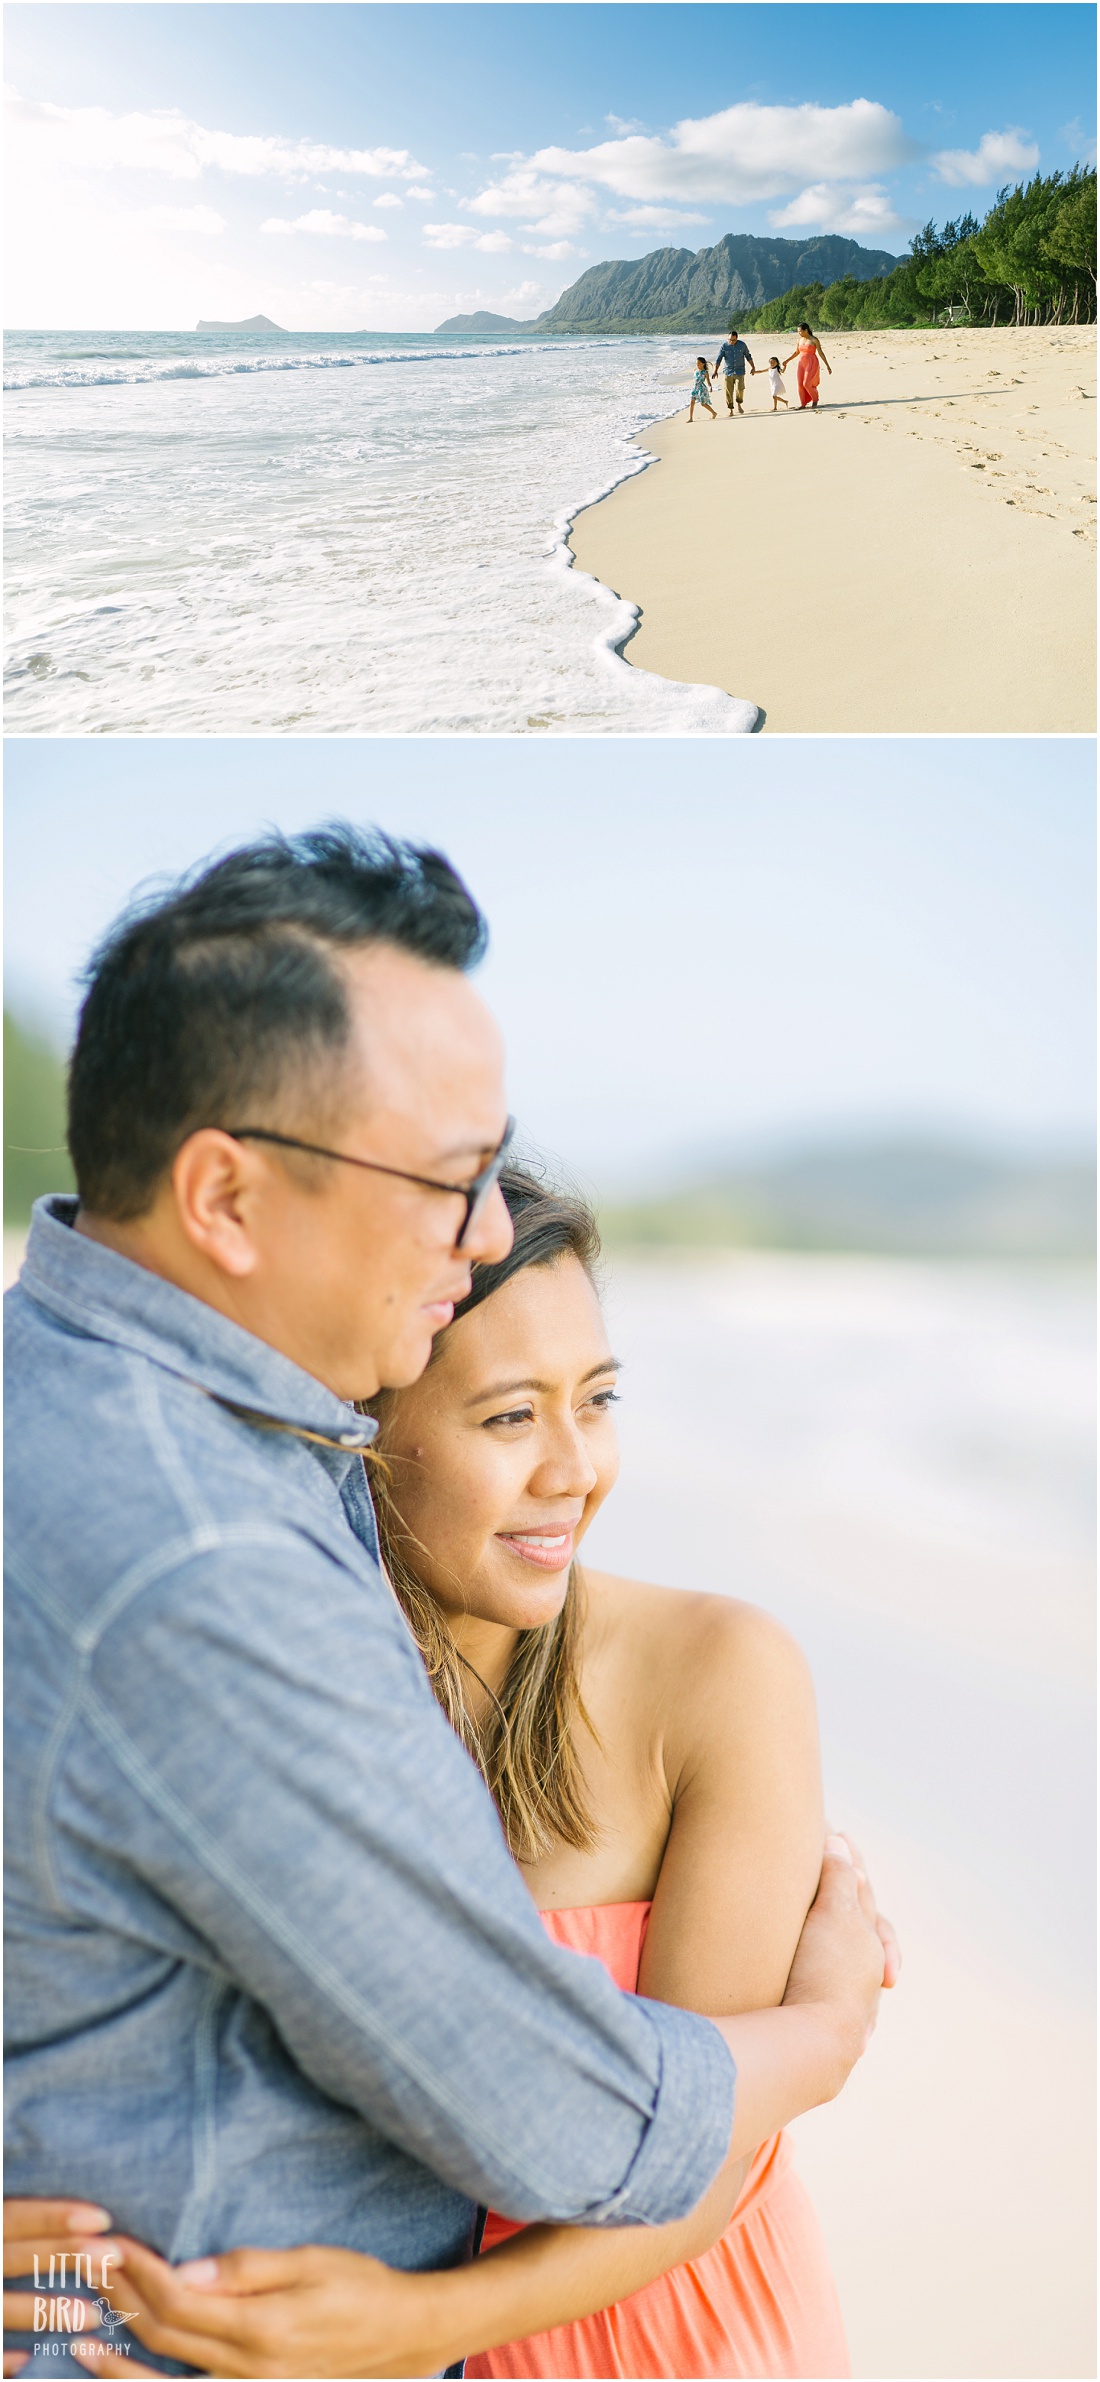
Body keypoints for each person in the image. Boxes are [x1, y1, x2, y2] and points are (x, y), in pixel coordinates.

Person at [4, 827, 891, 2379]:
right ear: (224, 1194)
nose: (485, 1229)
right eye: (443, 1179)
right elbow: (562, 2120)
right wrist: (821, 2031)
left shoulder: (98, 1412)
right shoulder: (214, 1561)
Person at [783, 325, 832, 410]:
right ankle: (802, 404)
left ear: (806, 330)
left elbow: (820, 353)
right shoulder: (799, 340)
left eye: (800, 331)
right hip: (801, 363)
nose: (799, 333)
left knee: (807, 383)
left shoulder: (814, 340)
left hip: (811, 363)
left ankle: (815, 399)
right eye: (798, 331)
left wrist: (827, 365)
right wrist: (787, 361)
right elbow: (797, 352)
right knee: (800, 384)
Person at [713, 332, 757, 414]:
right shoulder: (724, 346)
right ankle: (731, 410)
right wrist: (715, 371)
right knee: (728, 391)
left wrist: (753, 367)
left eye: (733, 340)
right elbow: (719, 359)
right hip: (727, 372)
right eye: (730, 340)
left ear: (737, 338)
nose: (731, 342)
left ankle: (739, 405)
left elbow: (748, 356)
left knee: (740, 389)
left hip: (739, 371)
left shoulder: (742, 345)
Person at [688, 357, 716, 423]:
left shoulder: (705, 372)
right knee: (692, 402)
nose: (697, 365)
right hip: (695, 388)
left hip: (701, 389)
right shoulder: (695, 370)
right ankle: (691, 418)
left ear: (703, 364)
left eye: (699, 363)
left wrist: (710, 387)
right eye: (696, 364)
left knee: (703, 404)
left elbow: (708, 381)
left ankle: (714, 413)